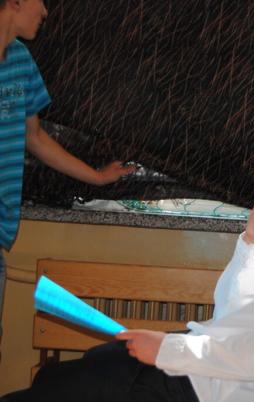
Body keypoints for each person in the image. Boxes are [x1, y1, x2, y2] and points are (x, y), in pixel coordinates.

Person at [2, 96, 254, 402]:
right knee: (63, 378)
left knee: (57, 387)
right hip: (205, 377)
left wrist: (170, 350)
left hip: (205, 388)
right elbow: (232, 316)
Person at [0, 0, 134, 350]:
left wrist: (97, 177)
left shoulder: (19, 60)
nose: (45, 11)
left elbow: (34, 137)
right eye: (40, 1)